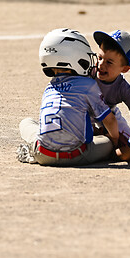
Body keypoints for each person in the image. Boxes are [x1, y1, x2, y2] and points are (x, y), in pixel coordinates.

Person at [17, 28, 119, 166]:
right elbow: (110, 120)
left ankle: (31, 151)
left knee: (26, 122)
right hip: (75, 156)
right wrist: (114, 141)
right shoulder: (88, 84)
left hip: (43, 154)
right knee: (107, 142)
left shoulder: (49, 87)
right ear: (77, 56)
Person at [92, 29, 130, 144]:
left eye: (109, 62)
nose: (101, 64)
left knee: (129, 143)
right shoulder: (88, 73)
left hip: (110, 115)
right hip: (85, 113)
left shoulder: (122, 88)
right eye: (100, 58)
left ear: (124, 69)